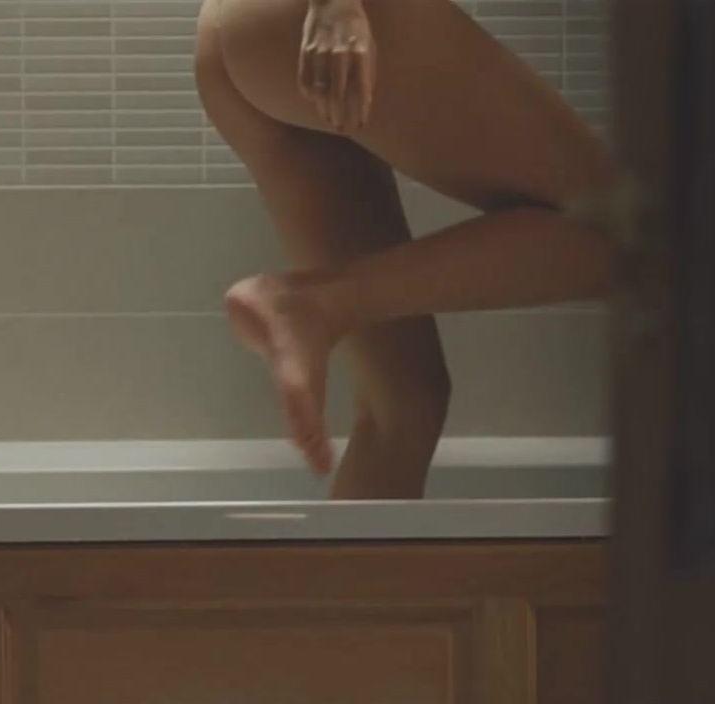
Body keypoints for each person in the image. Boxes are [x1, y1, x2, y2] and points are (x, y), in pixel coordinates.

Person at [194, 0, 623, 500]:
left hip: (255, 33)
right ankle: (314, 303)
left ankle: (355, 575)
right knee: (631, 234)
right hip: (321, 19)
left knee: (403, 409)